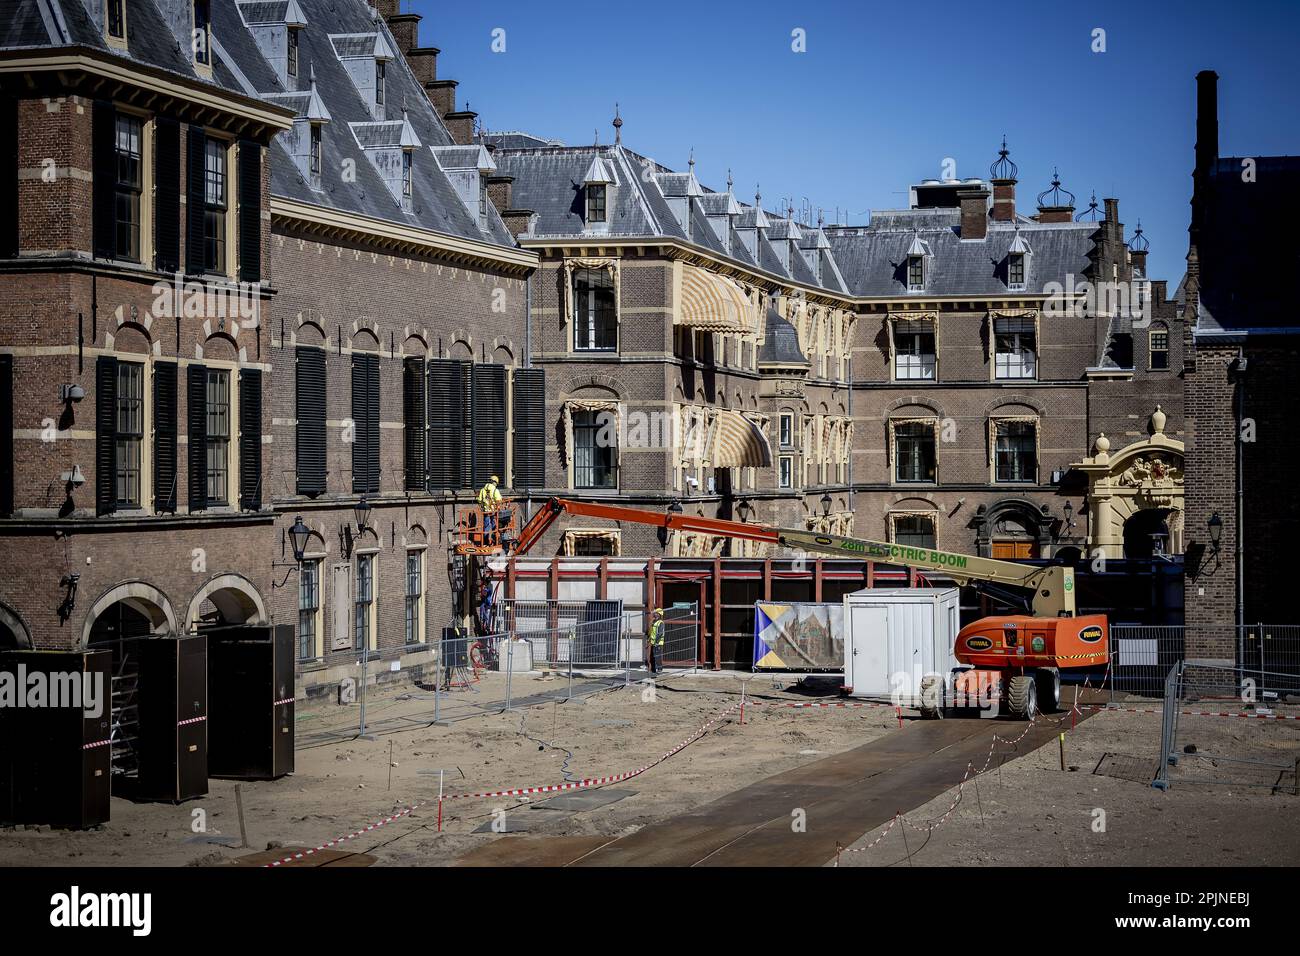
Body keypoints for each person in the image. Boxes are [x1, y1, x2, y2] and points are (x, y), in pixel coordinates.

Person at [646, 607, 665, 674]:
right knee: (654, 655)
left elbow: (660, 633)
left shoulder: (660, 623)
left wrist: (656, 641)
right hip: (653, 642)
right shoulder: (654, 622)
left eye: (657, 613)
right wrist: (649, 640)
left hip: (658, 642)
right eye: (655, 613)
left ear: (659, 615)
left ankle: (660, 669)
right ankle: (655, 669)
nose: (655, 614)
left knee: (658, 656)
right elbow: (652, 632)